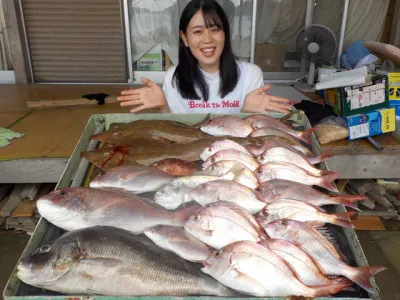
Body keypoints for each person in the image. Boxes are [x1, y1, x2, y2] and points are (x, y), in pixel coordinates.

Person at [118, 0, 292, 114]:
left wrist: (247, 112)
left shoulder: (250, 74)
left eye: (215, 29)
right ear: (185, 38)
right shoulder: (174, 77)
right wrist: (163, 105)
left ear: (225, 34)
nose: (207, 40)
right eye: (198, 32)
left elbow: (253, 137)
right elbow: (178, 131)